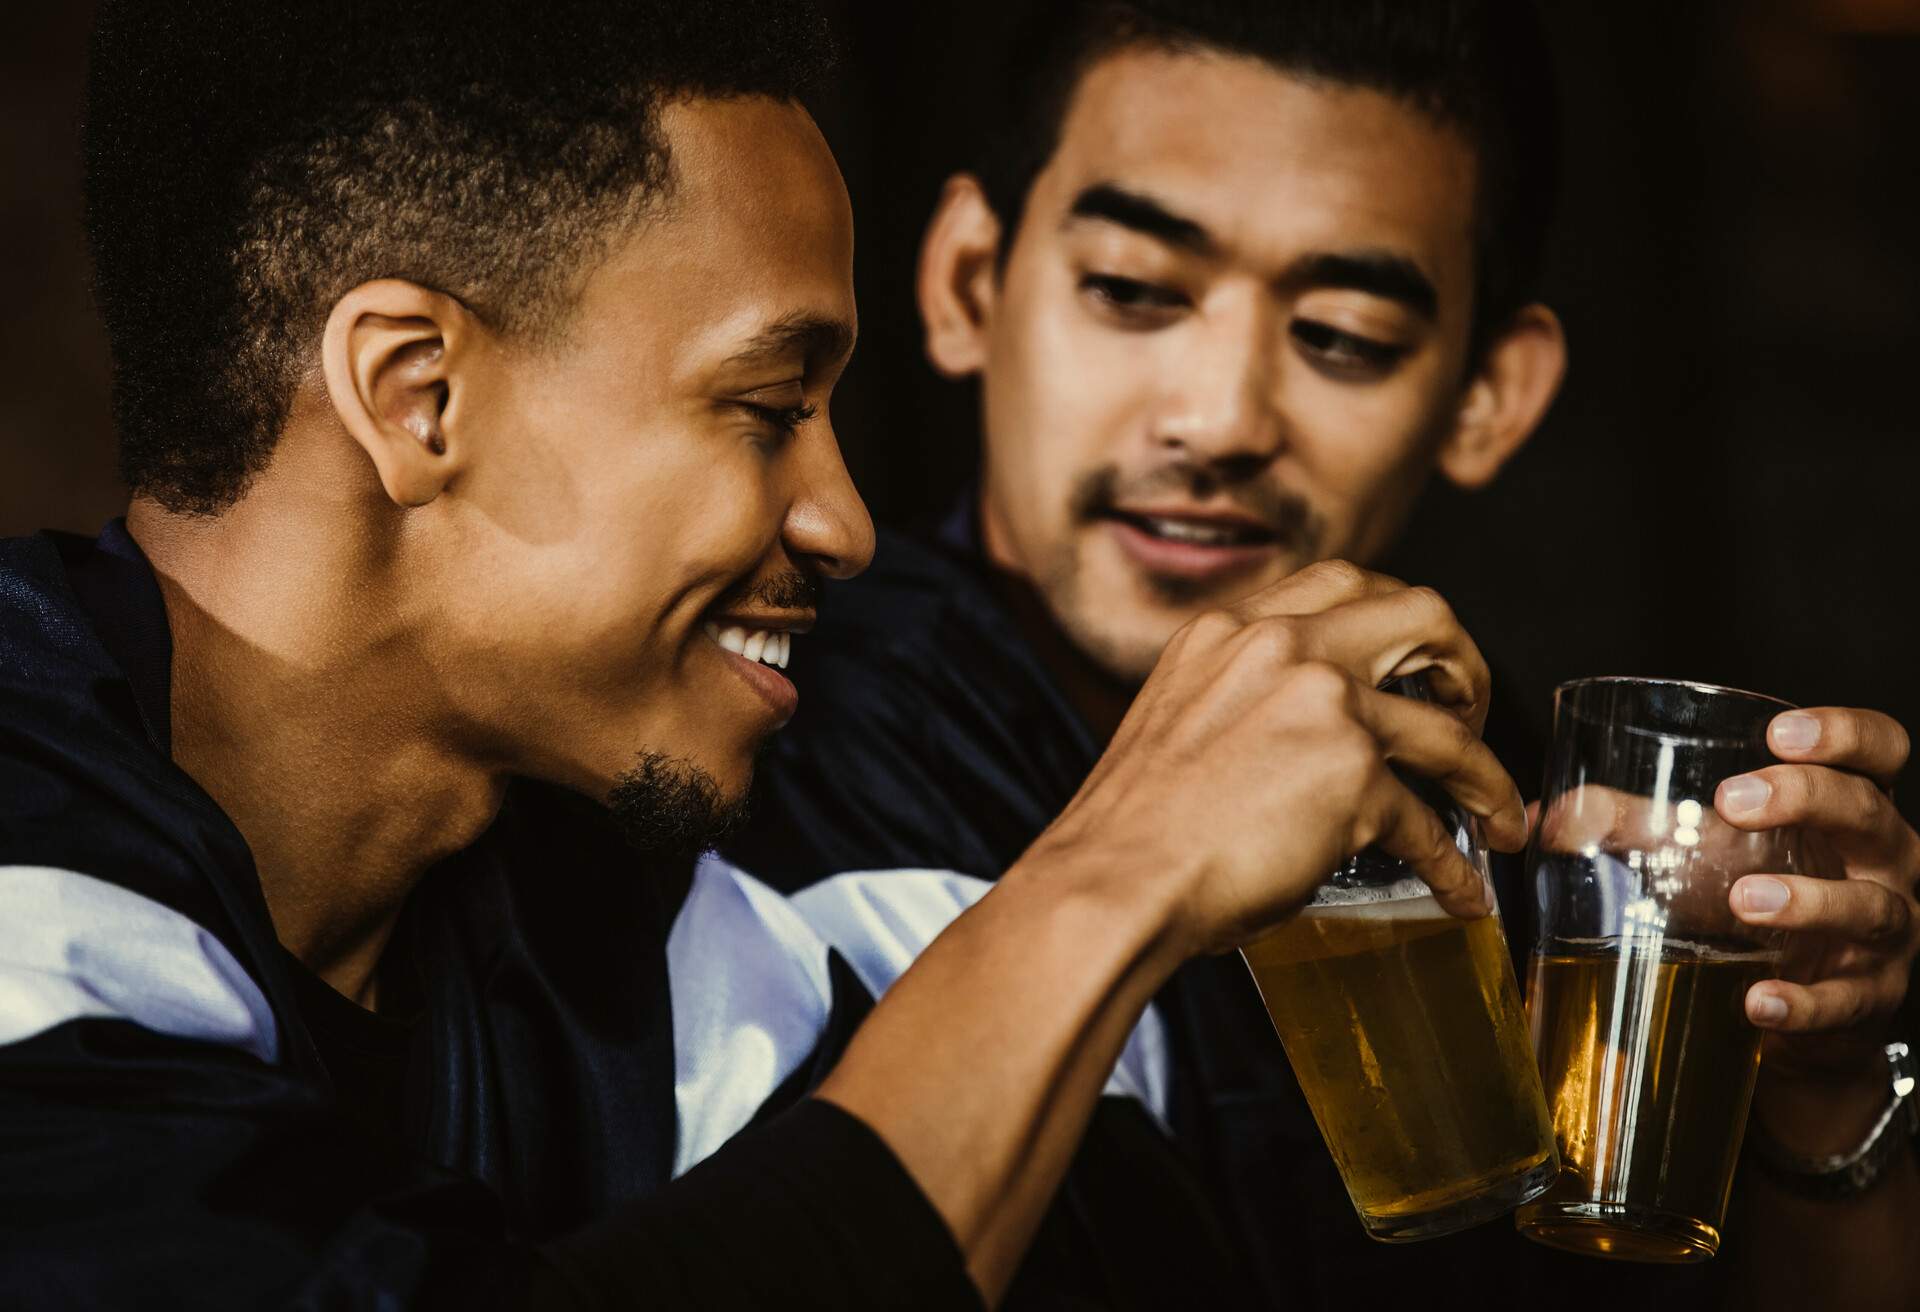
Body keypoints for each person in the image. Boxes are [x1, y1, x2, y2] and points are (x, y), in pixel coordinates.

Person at [0, 2, 1542, 1308]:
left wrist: (1768, 1131)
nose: (847, 522)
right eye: (768, 404)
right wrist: (1120, 876)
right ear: (418, 397)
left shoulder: (633, 922)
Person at [725, 2, 1920, 1308]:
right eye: (1131, 291)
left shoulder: (1502, 802)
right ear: (968, 283)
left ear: (1487, 396)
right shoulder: (761, 735)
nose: (1222, 419)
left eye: (1342, 336)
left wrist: (1824, 1088)